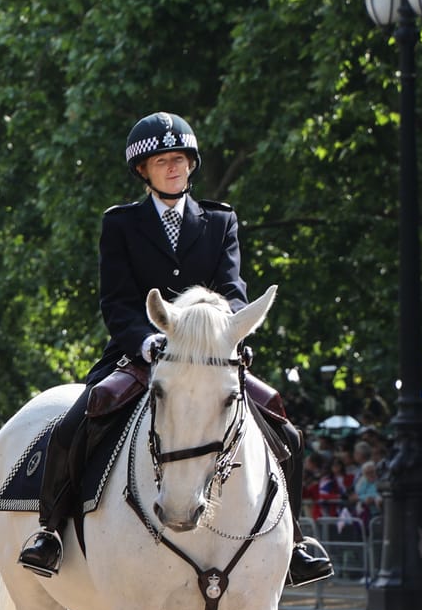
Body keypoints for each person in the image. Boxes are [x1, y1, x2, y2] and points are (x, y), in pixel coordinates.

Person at [17, 111, 332, 586]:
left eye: (181, 159)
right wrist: (146, 341)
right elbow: (117, 301)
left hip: (209, 354)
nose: (174, 168)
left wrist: (228, 332)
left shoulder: (220, 220)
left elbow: (232, 289)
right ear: (143, 171)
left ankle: (296, 541)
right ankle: (51, 532)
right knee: (75, 420)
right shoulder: (121, 223)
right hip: (143, 352)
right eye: (162, 161)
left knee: (285, 428)